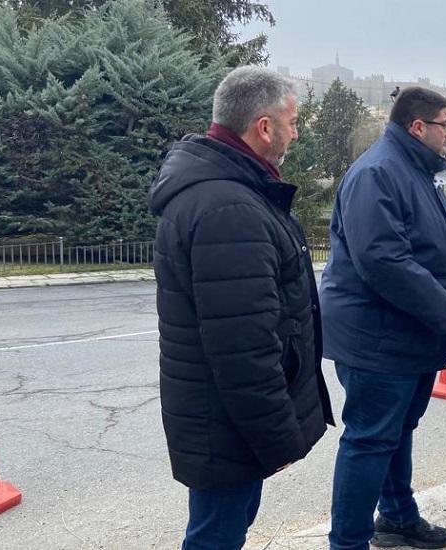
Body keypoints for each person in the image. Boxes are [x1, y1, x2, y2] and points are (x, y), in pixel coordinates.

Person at [149, 66, 333, 550]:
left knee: (222, 527)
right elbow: (243, 349)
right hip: (226, 424)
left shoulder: (228, 191)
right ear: (264, 126)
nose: (296, 133)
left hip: (223, 420)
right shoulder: (228, 209)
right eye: (292, 122)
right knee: (217, 534)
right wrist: (279, 440)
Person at [320, 87, 446, 550]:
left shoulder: (413, 170)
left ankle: (399, 518)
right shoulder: (380, 171)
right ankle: (348, 542)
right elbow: (382, 258)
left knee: (396, 433)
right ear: (418, 127)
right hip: (376, 338)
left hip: (406, 336)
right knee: (369, 441)